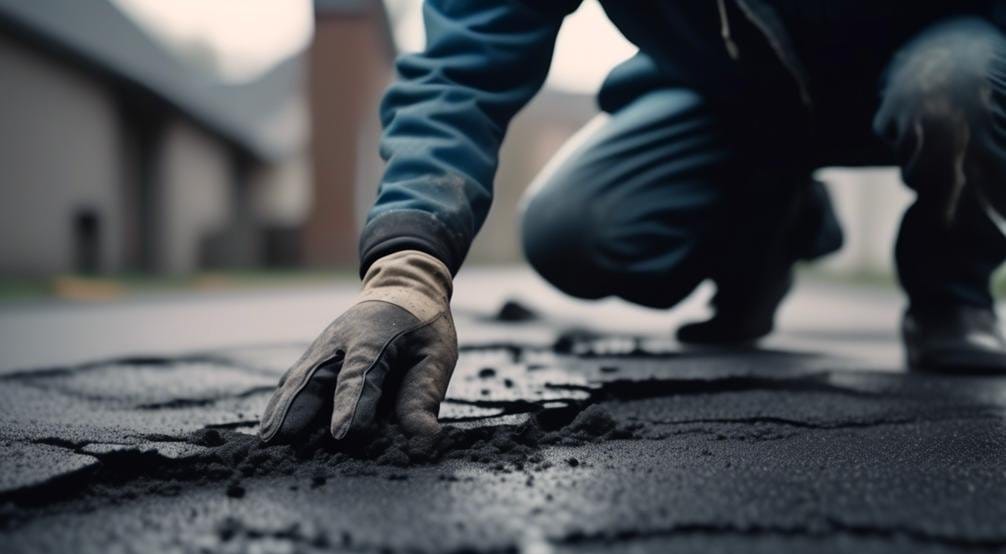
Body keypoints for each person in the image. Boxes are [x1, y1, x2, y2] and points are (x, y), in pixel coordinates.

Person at [259, 1, 1006, 443]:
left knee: (961, 91)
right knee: (572, 227)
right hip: (730, 94)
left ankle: (952, 281)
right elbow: (463, 64)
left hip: (926, 60)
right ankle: (778, 221)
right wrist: (408, 266)